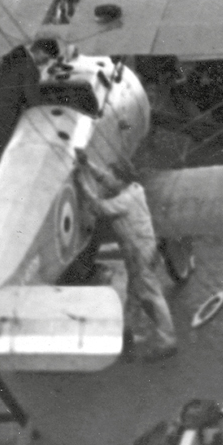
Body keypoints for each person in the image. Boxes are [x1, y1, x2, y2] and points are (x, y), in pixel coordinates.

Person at [76, 152, 177, 362]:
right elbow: (108, 179)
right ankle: (126, 334)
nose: (109, 179)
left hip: (139, 250)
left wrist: (81, 185)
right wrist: (89, 164)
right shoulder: (133, 189)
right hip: (139, 249)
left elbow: (99, 208)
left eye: (114, 175)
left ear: (121, 179)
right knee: (134, 293)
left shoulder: (125, 200)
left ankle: (167, 341)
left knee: (150, 294)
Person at [0, 36, 60, 163]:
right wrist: (51, 99)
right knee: (5, 152)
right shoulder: (31, 70)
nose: (46, 63)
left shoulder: (18, 52)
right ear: (40, 52)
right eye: (46, 59)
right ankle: (0, 178)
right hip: (6, 112)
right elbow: (33, 100)